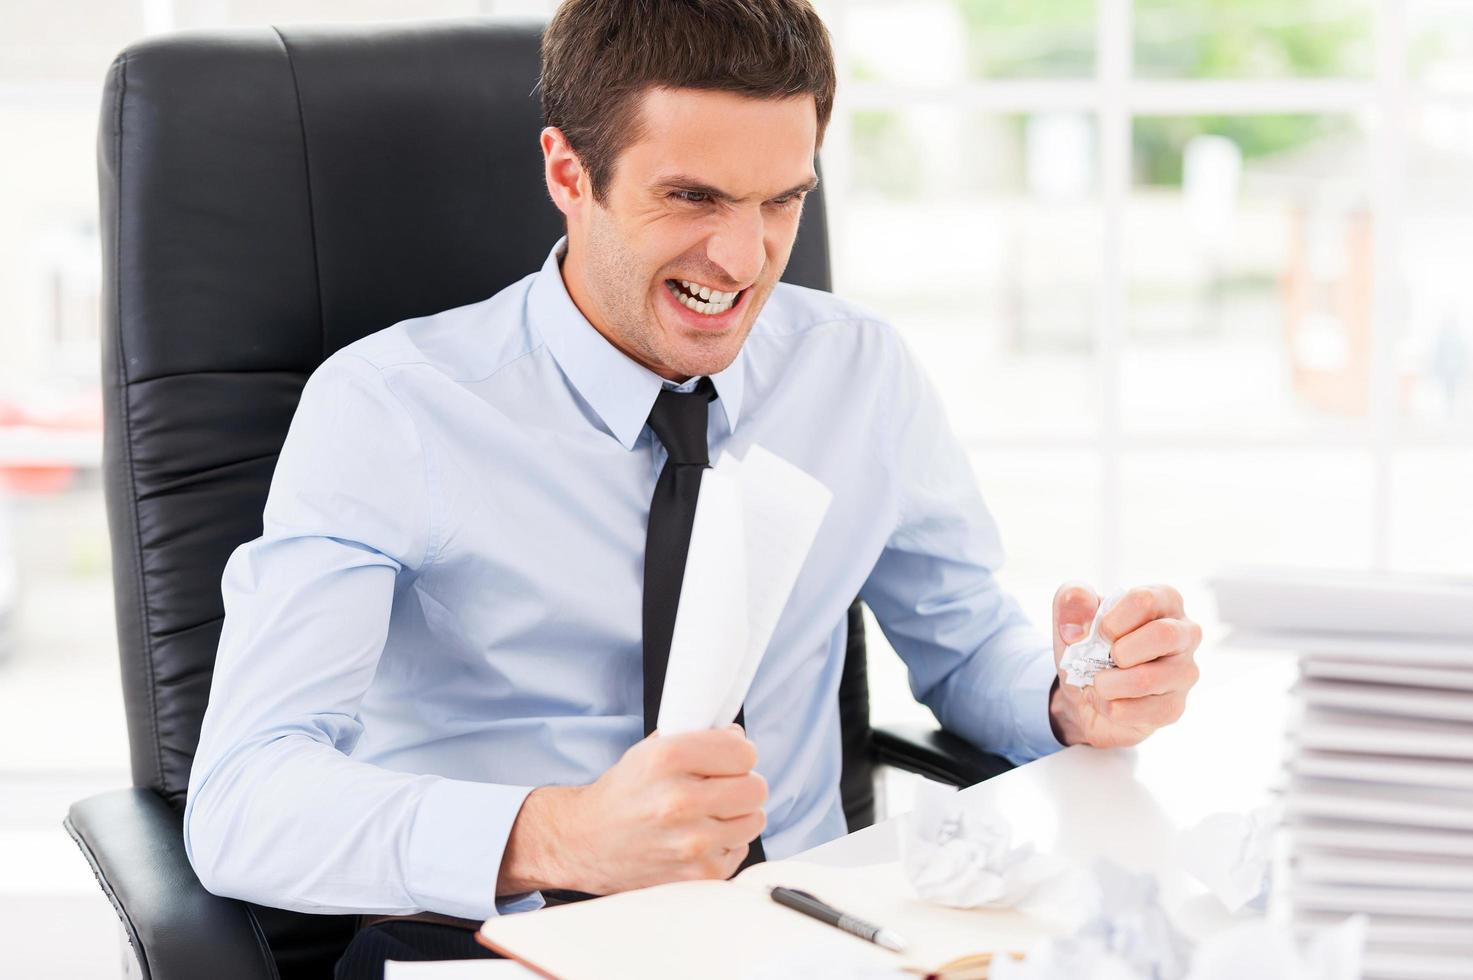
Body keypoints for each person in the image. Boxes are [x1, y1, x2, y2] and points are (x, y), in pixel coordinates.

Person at [184, 0, 1202, 974]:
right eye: (692, 196)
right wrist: (561, 833)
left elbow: (968, 640)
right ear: (567, 172)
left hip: (812, 929)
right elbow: (243, 799)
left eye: (781, 199)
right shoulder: (390, 410)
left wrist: (1072, 699)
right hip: (501, 946)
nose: (743, 257)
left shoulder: (859, 373)